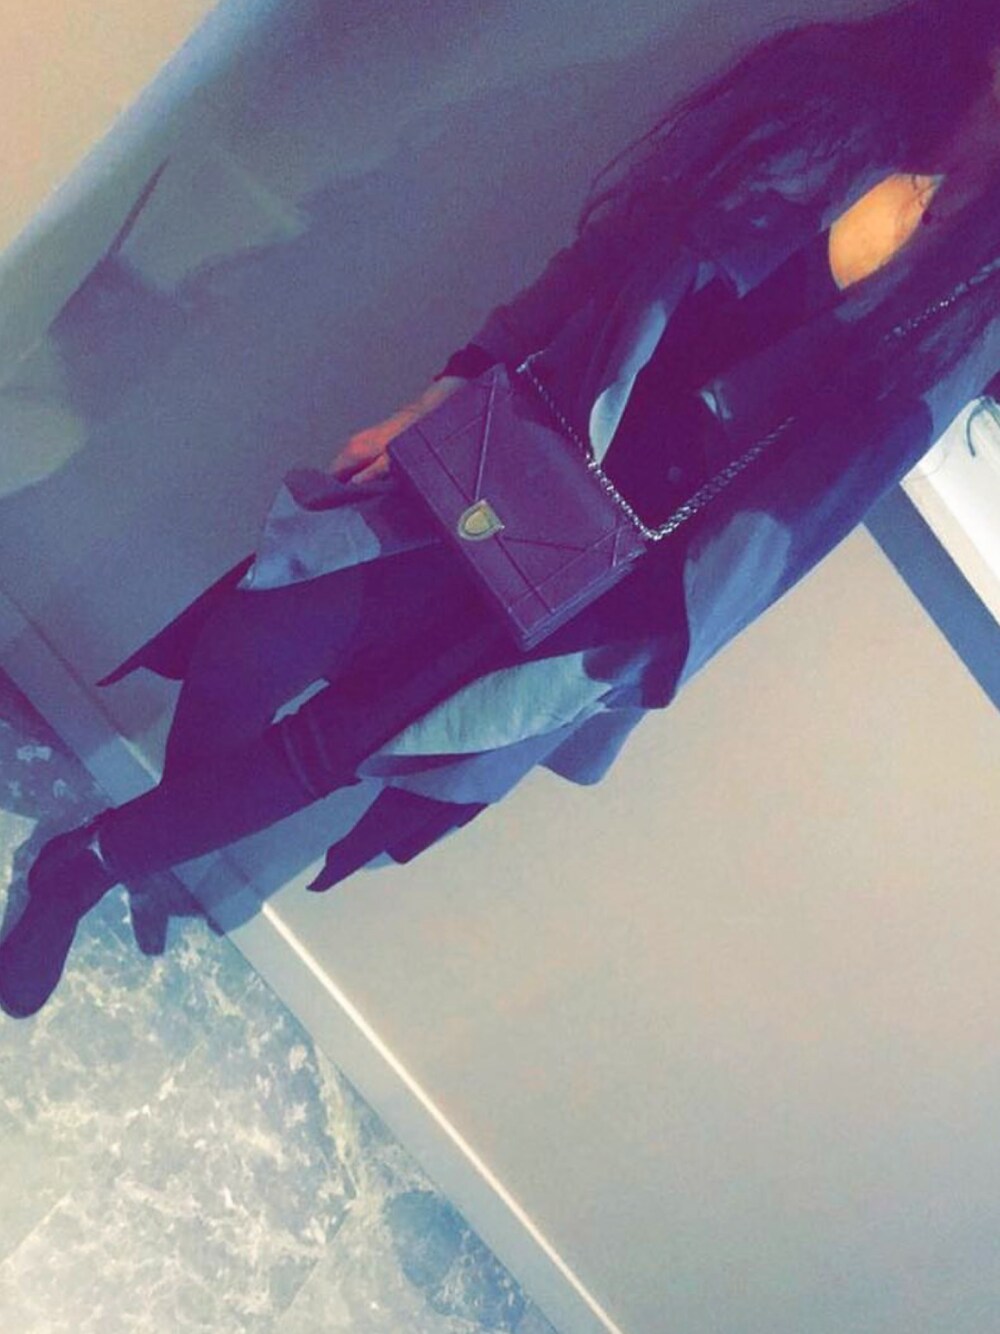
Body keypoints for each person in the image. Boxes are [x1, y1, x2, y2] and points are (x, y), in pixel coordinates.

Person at [3, 0, 1000, 1018]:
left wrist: (653, 651)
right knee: (255, 635)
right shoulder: (835, 99)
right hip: (531, 441)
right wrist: (444, 388)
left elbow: (821, 491)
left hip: (634, 579)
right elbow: (610, 254)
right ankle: (159, 841)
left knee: (339, 747)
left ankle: (81, 867)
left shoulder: (981, 301)